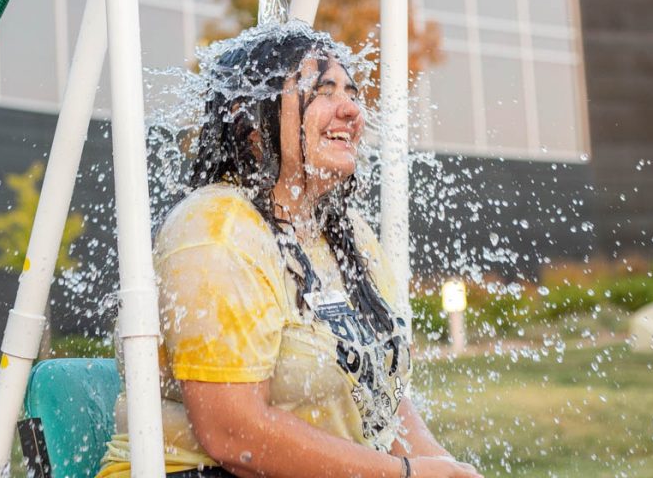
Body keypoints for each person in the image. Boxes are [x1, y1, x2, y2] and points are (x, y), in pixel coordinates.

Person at [97, 25, 483, 478]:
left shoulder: (346, 235)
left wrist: (444, 468)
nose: (351, 110)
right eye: (322, 92)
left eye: (352, 94)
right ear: (250, 122)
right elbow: (231, 433)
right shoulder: (217, 228)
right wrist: (405, 475)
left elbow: (382, 398)